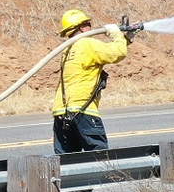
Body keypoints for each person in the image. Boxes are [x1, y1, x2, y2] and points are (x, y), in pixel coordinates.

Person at [51, 9, 131, 154]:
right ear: (82, 27)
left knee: (66, 161)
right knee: (99, 158)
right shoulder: (87, 43)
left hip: (62, 112)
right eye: (89, 24)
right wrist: (116, 34)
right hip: (83, 111)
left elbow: (105, 51)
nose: (91, 28)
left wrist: (127, 39)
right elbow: (118, 53)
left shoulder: (69, 49)